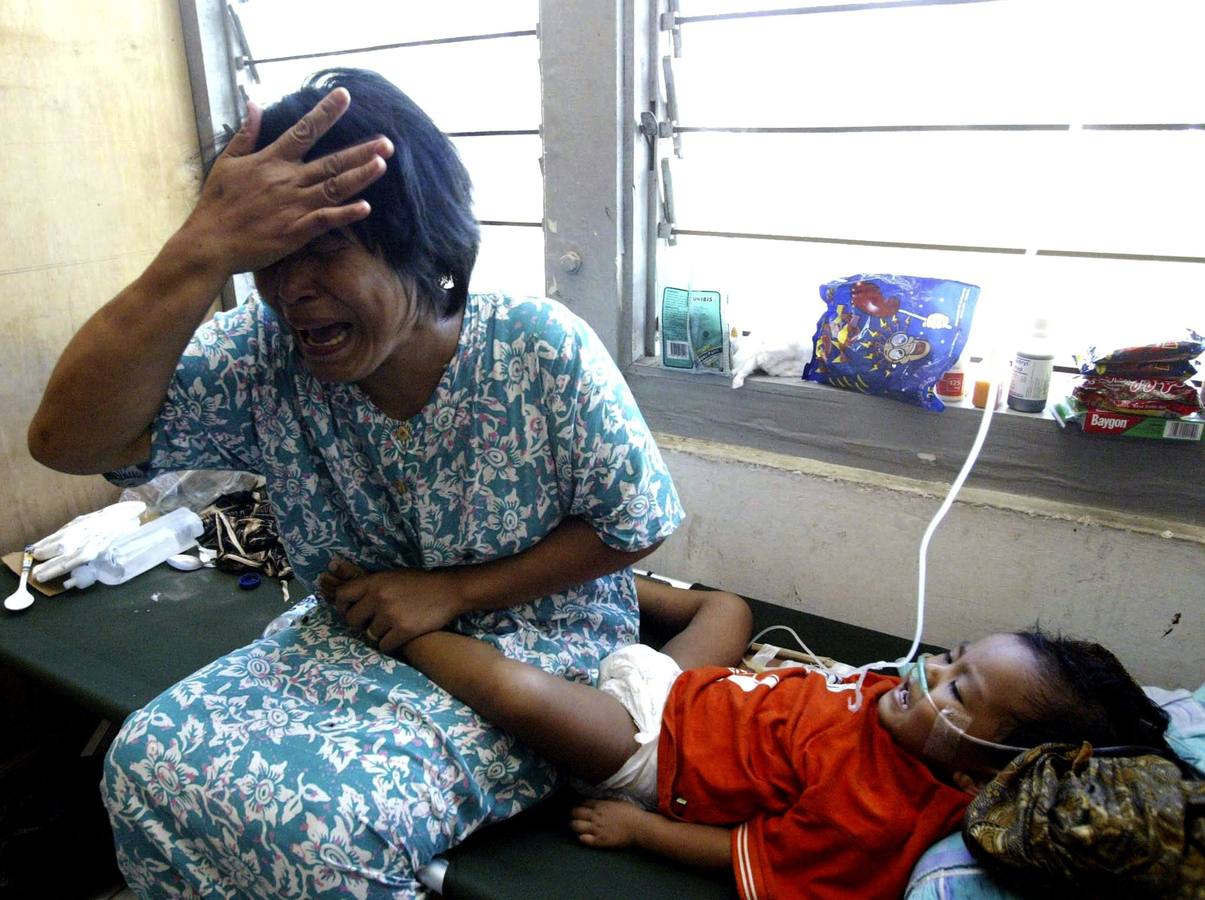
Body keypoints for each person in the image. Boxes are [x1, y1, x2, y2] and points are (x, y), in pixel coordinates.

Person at [28, 69, 682, 897]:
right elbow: (68, 442)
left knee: (316, 828)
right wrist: (199, 249)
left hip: (542, 653)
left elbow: (636, 525)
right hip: (356, 633)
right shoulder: (265, 352)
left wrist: (452, 592)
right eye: (269, 255)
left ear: (416, 234)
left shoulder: (536, 347)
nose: (290, 290)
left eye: (326, 247)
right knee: (143, 762)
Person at [397, 576, 1172, 900]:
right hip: (689, 688)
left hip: (646, 751)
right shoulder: (906, 716)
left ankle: (405, 631)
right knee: (726, 605)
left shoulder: (879, 809)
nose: (928, 674)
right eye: (951, 656)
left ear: (990, 767)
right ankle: (541, 576)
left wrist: (641, 828)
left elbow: (751, 854)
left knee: (515, 691)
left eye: (957, 690)